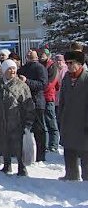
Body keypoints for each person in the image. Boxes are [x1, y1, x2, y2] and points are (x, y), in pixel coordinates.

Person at [0, 59, 35, 176]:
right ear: (4, 70)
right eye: (9, 69)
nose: (12, 71)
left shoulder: (21, 85)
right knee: (4, 142)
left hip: (16, 120)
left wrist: (28, 121)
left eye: (14, 69)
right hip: (1, 119)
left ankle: (22, 167)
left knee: (18, 145)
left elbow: (29, 105)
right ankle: (7, 165)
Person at [58, 50, 88, 181]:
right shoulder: (66, 78)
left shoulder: (86, 78)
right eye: (67, 63)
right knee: (69, 149)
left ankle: (86, 176)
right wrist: (61, 117)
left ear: (80, 63)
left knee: (85, 151)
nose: (69, 66)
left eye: (72, 63)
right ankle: (70, 174)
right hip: (68, 120)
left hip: (83, 121)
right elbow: (62, 99)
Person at [18, 49, 48, 162]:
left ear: (37, 56)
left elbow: (43, 84)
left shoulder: (40, 68)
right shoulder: (23, 68)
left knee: (39, 130)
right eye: (28, 52)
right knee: (24, 130)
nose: (29, 53)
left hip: (37, 102)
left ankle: (41, 156)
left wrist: (27, 81)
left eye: (32, 52)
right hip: (24, 103)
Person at [38, 48, 60, 152]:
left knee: (51, 120)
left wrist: (40, 88)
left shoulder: (53, 66)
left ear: (48, 55)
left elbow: (52, 83)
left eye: (44, 54)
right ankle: (45, 144)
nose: (42, 56)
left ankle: (53, 144)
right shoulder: (39, 65)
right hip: (40, 97)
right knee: (42, 122)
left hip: (48, 97)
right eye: (41, 54)